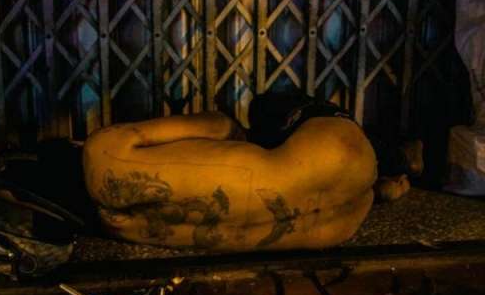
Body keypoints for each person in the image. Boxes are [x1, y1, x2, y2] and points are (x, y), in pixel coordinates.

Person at [83, 96, 377, 251]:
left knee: (364, 190)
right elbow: (221, 128)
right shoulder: (103, 149)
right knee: (263, 106)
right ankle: (392, 168)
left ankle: (386, 180)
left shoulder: (119, 227)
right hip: (339, 153)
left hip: (336, 228)